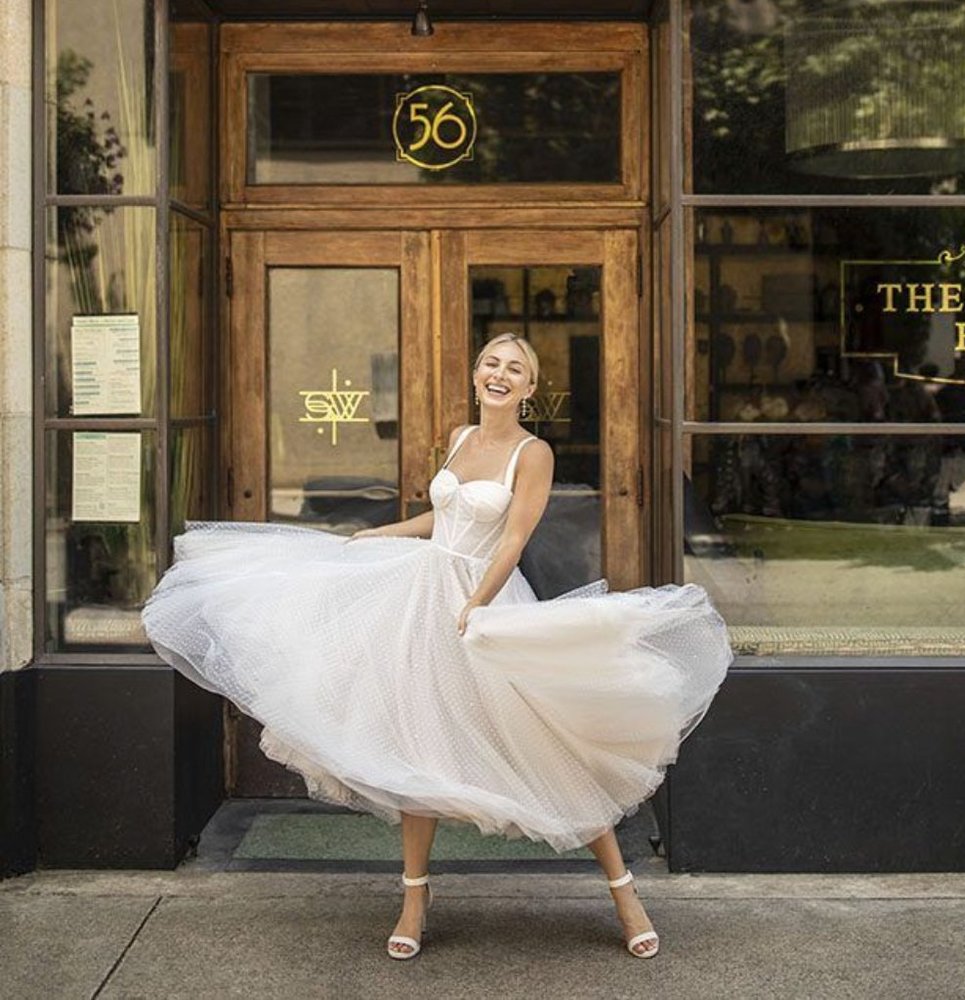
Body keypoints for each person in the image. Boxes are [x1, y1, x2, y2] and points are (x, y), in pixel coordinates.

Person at [142, 333, 732, 962]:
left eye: (515, 369)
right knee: (415, 742)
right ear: (476, 375)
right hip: (421, 597)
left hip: (483, 602)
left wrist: (477, 602)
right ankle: (414, 899)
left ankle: (624, 893)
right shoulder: (460, 436)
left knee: (545, 744)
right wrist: (381, 534)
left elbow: (513, 539)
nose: (500, 375)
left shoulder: (533, 453)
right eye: (491, 364)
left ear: (530, 388)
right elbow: (441, 520)